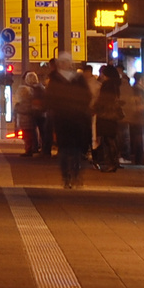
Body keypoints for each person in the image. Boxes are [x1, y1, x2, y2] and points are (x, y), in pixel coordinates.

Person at [43, 54, 91, 189]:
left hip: (62, 119)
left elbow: (49, 99)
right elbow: (87, 96)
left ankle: (67, 176)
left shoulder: (55, 80)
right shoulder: (79, 79)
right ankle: (74, 174)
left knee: (65, 148)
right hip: (76, 119)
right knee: (75, 149)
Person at [91, 65, 125, 172]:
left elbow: (103, 100)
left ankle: (111, 163)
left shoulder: (107, 85)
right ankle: (114, 162)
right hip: (112, 115)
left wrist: (95, 108)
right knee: (112, 138)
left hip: (105, 115)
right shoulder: (116, 84)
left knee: (107, 139)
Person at [123, 71, 144, 164]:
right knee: (139, 138)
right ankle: (139, 158)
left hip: (136, 117)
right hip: (138, 117)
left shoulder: (134, 89)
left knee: (138, 138)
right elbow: (139, 104)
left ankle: (139, 158)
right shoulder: (138, 90)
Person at [16, 72, 41, 157]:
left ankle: (30, 149)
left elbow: (21, 110)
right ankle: (34, 148)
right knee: (32, 134)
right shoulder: (38, 89)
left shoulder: (24, 101)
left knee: (28, 136)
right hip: (34, 118)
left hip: (28, 120)